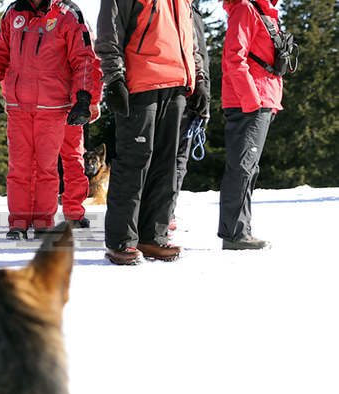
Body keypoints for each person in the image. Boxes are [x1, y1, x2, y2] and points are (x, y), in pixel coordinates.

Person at [96, 0, 206, 265]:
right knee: (135, 160)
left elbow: (190, 38)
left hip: (178, 83)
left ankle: (152, 237)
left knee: (166, 164)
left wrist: (199, 78)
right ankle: (121, 241)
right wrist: (114, 78)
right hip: (140, 83)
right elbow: (109, 29)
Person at [0, 0, 98, 240]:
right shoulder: (13, 12)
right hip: (18, 105)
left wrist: (85, 98)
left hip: (53, 105)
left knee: (47, 167)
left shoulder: (68, 14)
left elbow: (83, 58)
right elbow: (1, 50)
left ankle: (44, 221)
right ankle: (19, 223)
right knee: (19, 168)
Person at [218, 0, 283, 250]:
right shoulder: (246, 8)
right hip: (249, 102)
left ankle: (240, 230)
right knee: (242, 167)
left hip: (262, 99)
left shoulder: (263, 11)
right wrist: (252, 100)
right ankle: (235, 234)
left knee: (248, 168)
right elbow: (234, 57)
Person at [172, 4, 211, 230]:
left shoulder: (192, 10)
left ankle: (166, 211)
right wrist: (201, 90)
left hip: (191, 90)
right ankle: (164, 212)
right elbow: (196, 57)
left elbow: (201, 57)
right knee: (176, 158)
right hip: (184, 90)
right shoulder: (185, 9)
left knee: (179, 158)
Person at [59, 44, 103, 229]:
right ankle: (72, 213)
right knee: (72, 158)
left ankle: (35, 213)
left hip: (68, 105)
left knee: (40, 160)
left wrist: (92, 101)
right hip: (68, 103)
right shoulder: (75, 19)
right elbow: (93, 62)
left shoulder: (23, 16)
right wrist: (93, 101)